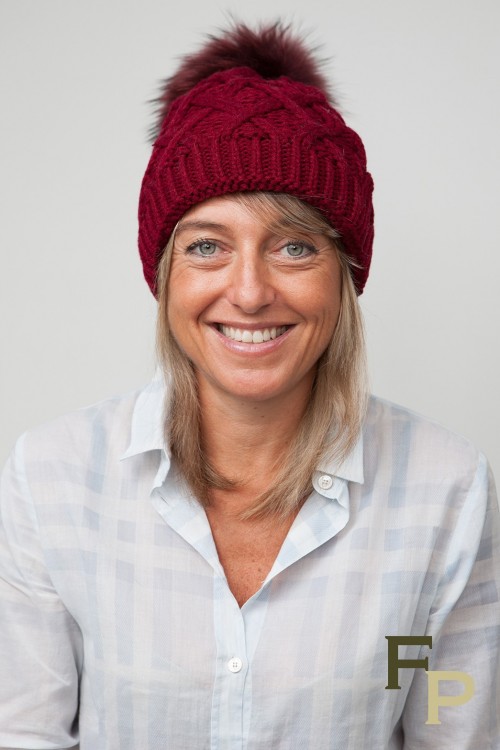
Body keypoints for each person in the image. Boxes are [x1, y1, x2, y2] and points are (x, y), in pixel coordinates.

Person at [0, 21, 498, 750]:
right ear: (165, 277)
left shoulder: (445, 493)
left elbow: (448, 730)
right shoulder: (53, 480)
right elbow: (26, 734)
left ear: (345, 275)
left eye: (294, 245)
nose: (250, 291)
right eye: (207, 246)